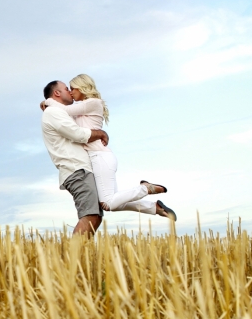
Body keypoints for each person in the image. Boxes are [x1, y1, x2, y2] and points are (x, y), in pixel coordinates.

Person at [41, 74, 177, 221]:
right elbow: (63, 115)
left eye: (72, 88)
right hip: (96, 158)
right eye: (68, 89)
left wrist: (47, 102)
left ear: (82, 88)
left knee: (107, 203)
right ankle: (153, 207)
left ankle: (145, 188)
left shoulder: (93, 103)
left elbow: (63, 111)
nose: (71, 92)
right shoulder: (80, 109)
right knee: (114, 202)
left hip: (99, 155)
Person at [40, 80, 110, 236]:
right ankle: (73, 258)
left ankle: (82, 257)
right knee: (90, 215)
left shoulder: (59, 111)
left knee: (95, 216)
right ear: (57, 93)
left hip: (80, 169)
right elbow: (78, 134)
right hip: (75, 169)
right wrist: (101, 133)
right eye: (66, 89)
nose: (70, 91)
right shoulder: (53, 112)